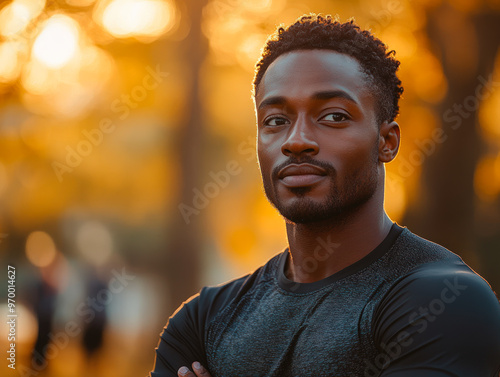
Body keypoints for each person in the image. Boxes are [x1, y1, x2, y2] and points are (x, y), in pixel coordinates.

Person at [149, 14, 500, 377]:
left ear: (386, 142)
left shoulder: (444, 300)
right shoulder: (202, 320)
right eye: (275, 121)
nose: (296, 140)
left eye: (333, 117)